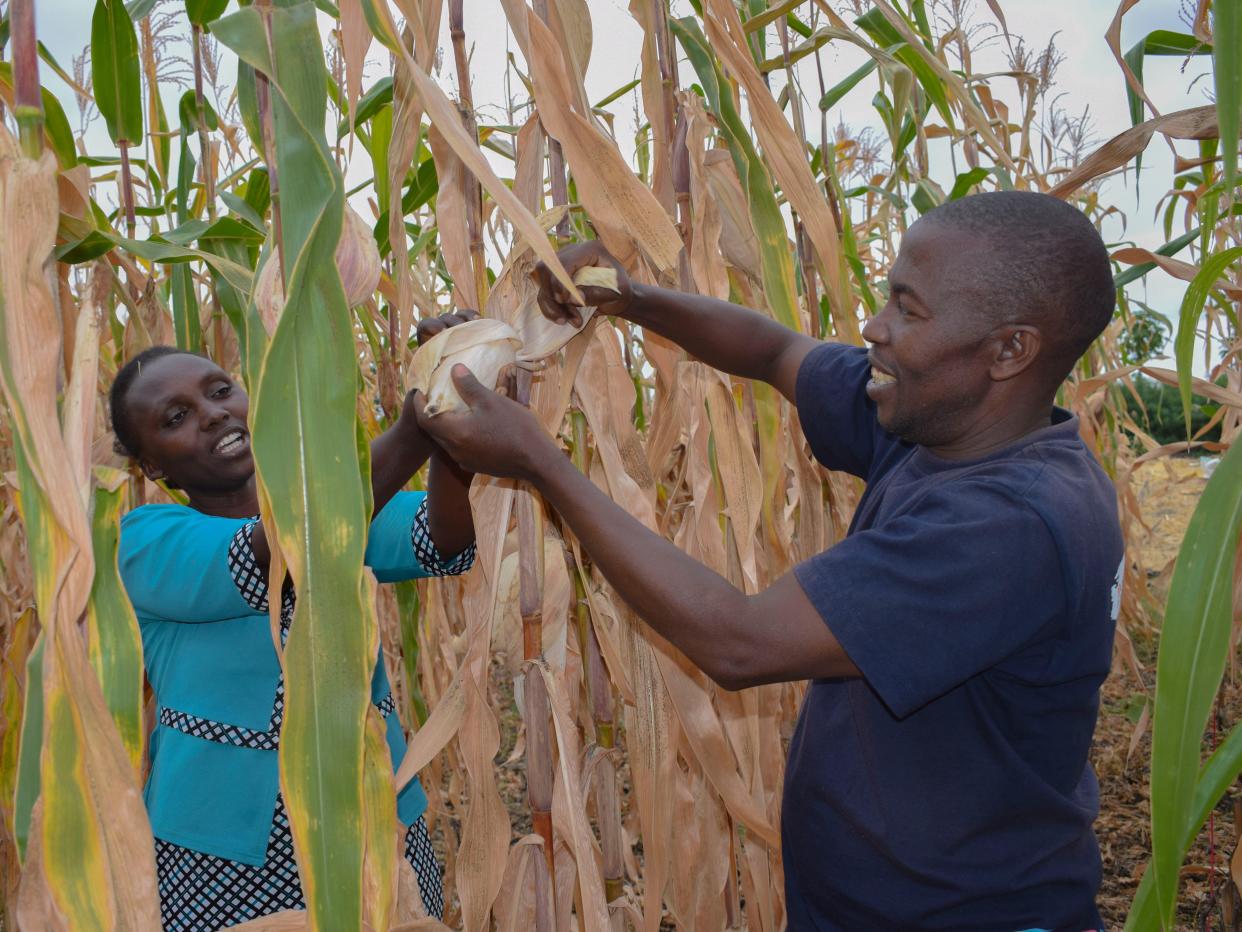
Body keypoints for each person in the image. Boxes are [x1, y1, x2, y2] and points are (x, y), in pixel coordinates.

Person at [415, 191, 1124, 931]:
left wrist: (543, 466)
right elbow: (776, 351)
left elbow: (740, 642)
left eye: (908, 311)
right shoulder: (941, 424)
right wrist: (624, 299)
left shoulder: (1010, 524)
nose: (874, 329)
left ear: (1009, 350)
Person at [111, 312, 478, 931]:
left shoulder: (342, 513)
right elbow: (287, 548)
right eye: (174, 418)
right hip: (222, 850)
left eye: (219, 390)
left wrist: (451, 399)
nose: (212, 413)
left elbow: (443, 538)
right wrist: (417, 426)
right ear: (153, 469)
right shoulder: (144, 541)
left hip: (372, 812)